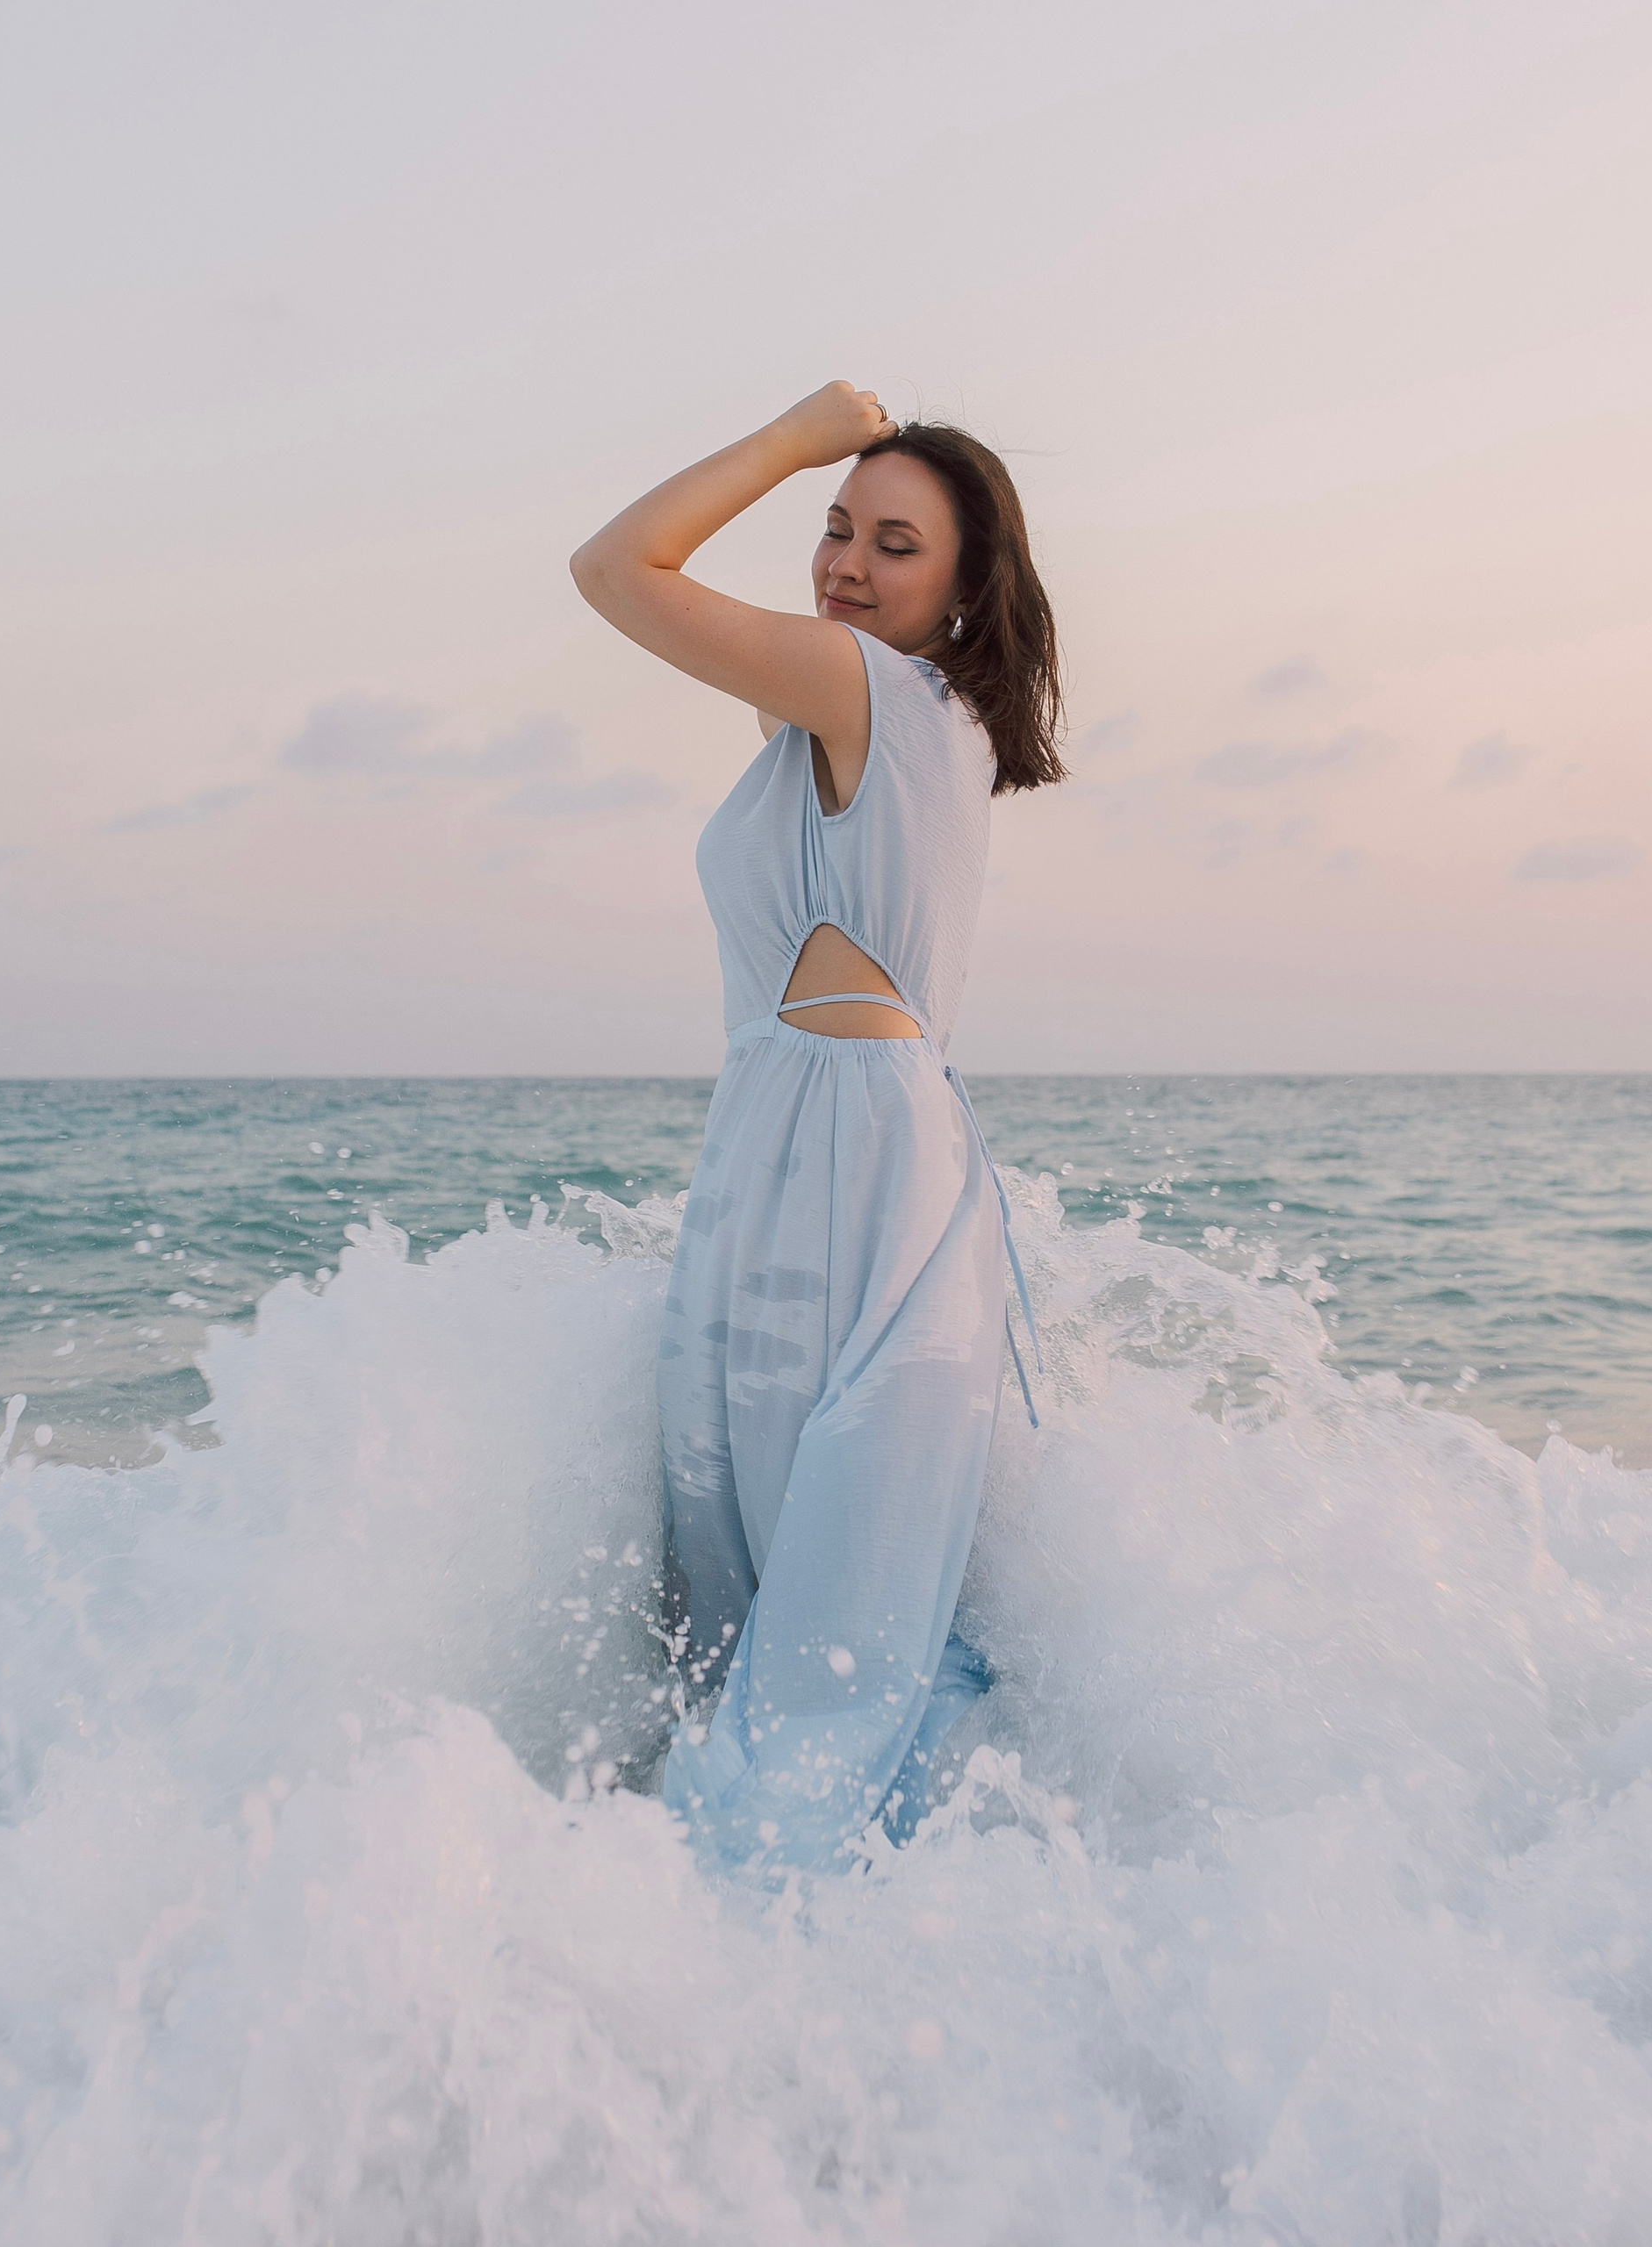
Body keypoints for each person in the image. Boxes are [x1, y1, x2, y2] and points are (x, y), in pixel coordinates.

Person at [571, 382, 1067, 1871]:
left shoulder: (878, 694)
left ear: (965, 589)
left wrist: (798, 435)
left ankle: (767, 1921)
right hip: (791, 1146)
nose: (845, 561)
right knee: (765, 1580)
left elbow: (615, 571)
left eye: (893, 543)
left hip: (852, 1166)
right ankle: (818, 1929)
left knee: (819, 1604)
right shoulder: (841, 707)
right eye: (833, 527)